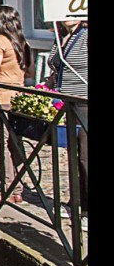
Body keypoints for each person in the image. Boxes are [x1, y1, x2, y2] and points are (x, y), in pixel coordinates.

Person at [0, 5, 34, 204]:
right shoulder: (24, 43)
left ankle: (9, 188)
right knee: (15, 143)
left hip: (1, 97)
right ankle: (17, 187)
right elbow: (29, 73)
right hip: (19, 98)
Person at [48, 20, 87, 228]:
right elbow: (55, 65)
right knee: (72, 155)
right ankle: (76, 201)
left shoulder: (86, 35)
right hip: (65, 103)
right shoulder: (60, 36)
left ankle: (87, 209)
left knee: (86, 157)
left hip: (84, 102)